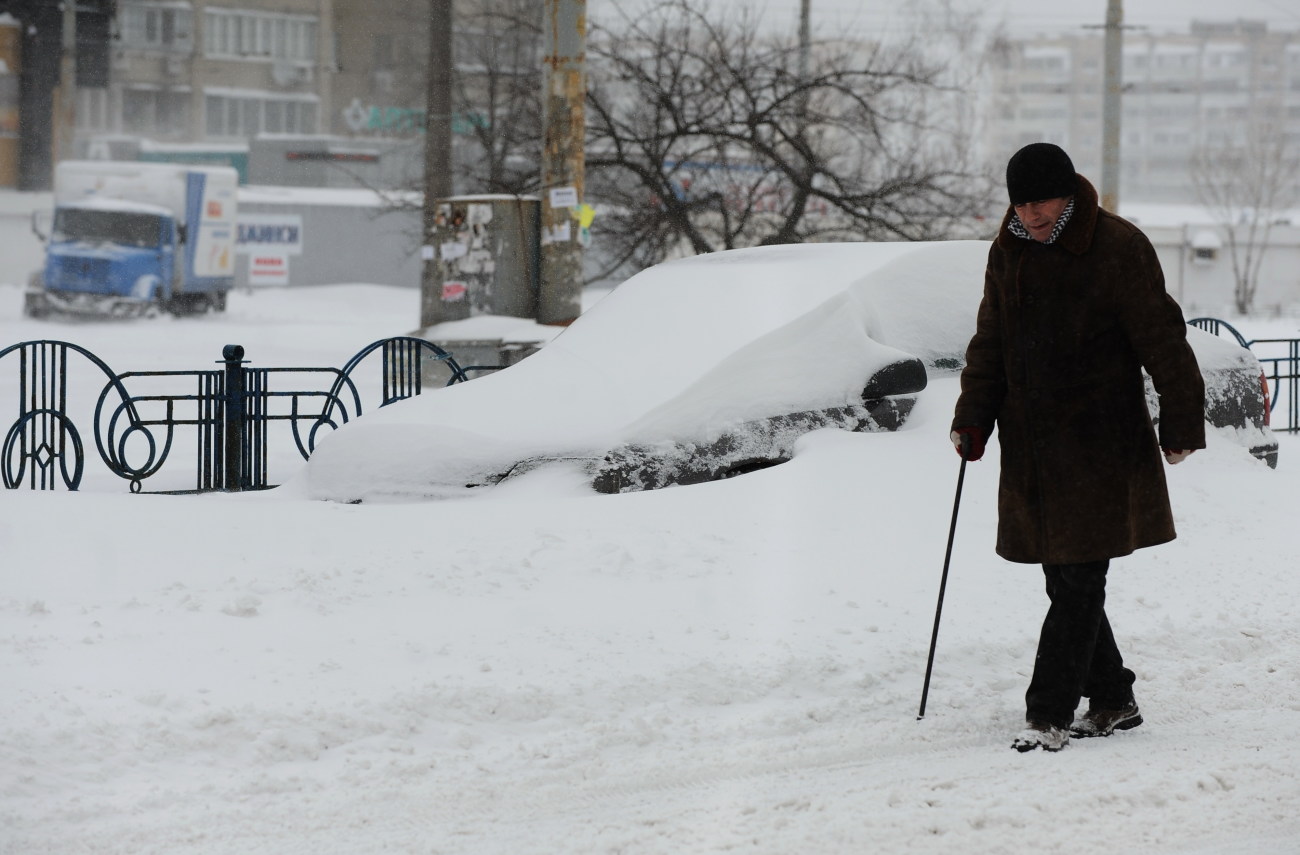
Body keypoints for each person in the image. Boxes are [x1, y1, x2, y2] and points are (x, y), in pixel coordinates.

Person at [951, 142, 1205, 753]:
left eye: (1040, 201)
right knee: (1062, 576)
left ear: (1067, 193)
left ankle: (1047, 715)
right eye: (1020, 202)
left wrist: (1180, 424)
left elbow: (1162, 337)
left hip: (1100, 442)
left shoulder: (1116, 246)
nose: (1030, 214)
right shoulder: (1007, 250)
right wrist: (973, 416)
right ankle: (1114, 696)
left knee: (1080, 578)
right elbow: (990, 339)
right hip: (1033, 445)